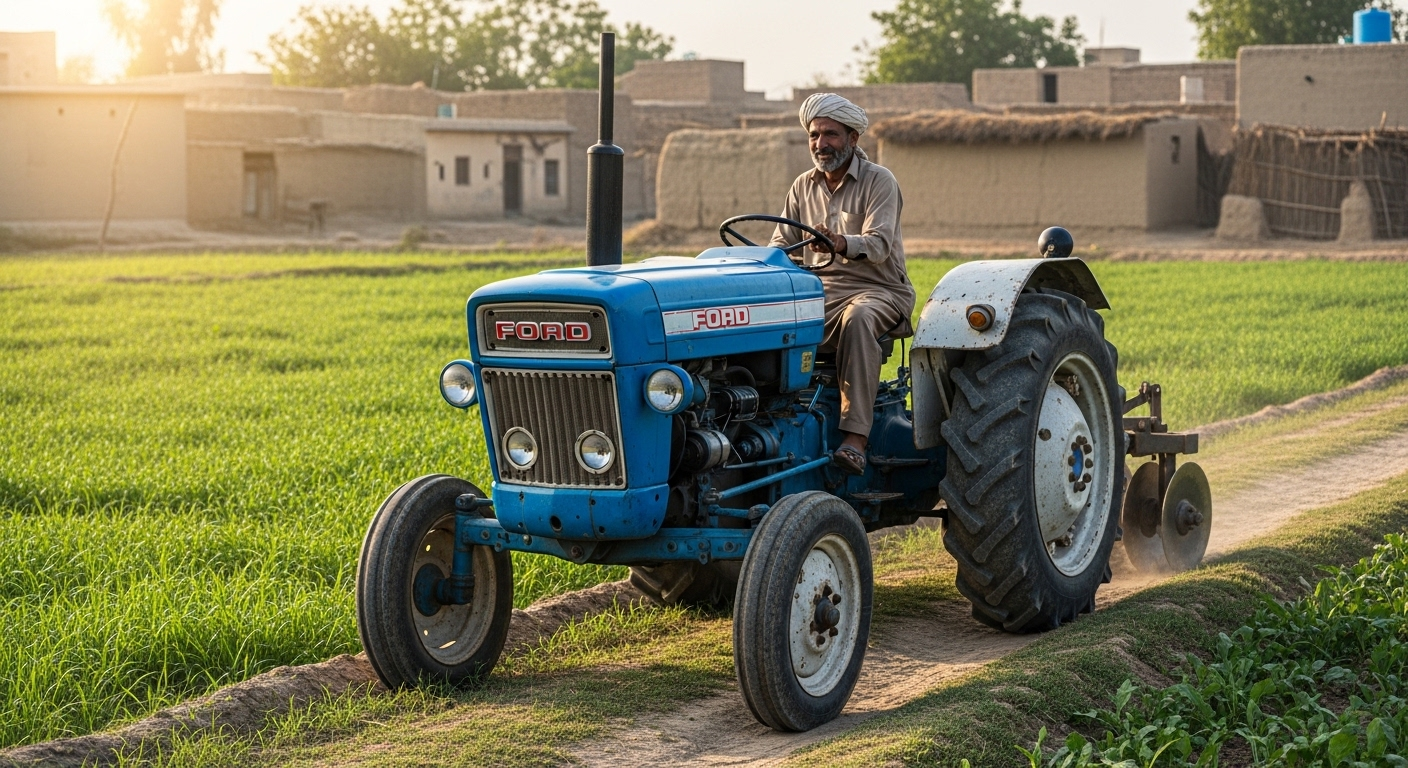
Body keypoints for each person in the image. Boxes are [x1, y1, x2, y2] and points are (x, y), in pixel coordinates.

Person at [770, 93, 916, 476]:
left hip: (878, 290)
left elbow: (879, 245)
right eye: (814, 135)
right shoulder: (802, 186)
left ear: (852, 138)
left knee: (858, 318)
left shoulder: (879, 181)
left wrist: (839, 242)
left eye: (830, 134)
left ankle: (855, 439)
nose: (821, 143)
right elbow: (780, 244)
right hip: (821, 292)